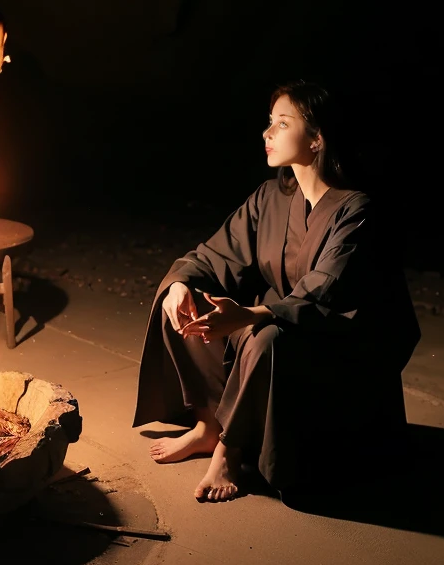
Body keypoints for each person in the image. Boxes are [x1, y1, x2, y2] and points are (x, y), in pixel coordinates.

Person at [133, 81, 419, 502]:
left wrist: (249, 316)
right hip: (278, 329)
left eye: (282, 124)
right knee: (181, 302)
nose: (267, 134)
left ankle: (228, 452)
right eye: (269, 123)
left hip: (337, 351)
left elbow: (326, 296)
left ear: (318, 138)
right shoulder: (271, 197)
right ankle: (209, 426)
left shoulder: (356, 209)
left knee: (265, 336)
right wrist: (180, 283)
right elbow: (214, 255)